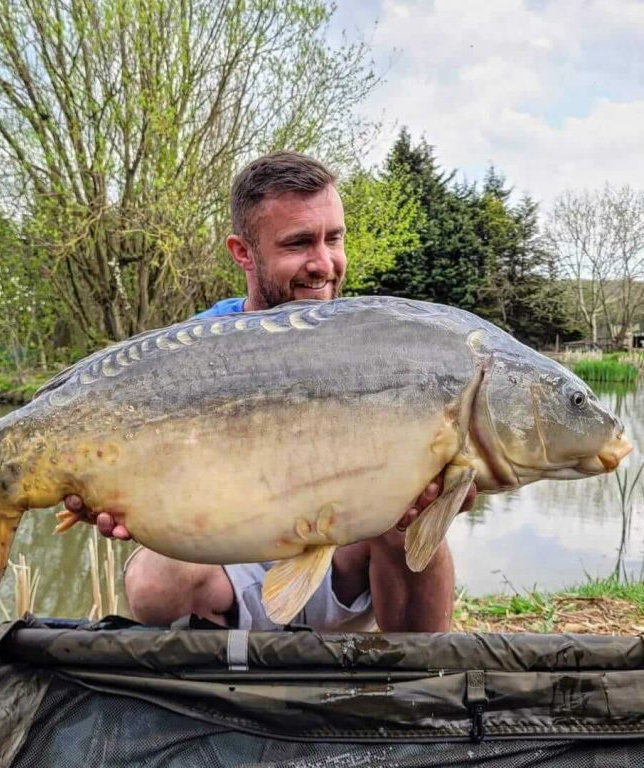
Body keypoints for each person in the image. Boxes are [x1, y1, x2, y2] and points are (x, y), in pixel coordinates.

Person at [64, 151, 476, 632]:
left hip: (347, 563)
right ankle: (221, 693)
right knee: (155, 579)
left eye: (334, 238)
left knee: (405, 515)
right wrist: (114, 493)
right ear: (242, 252)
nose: (323, 264)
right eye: (299, 243)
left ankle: (419, 682)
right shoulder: (193, 352)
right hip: (235, 558)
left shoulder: (370, 341)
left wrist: (441, 490)